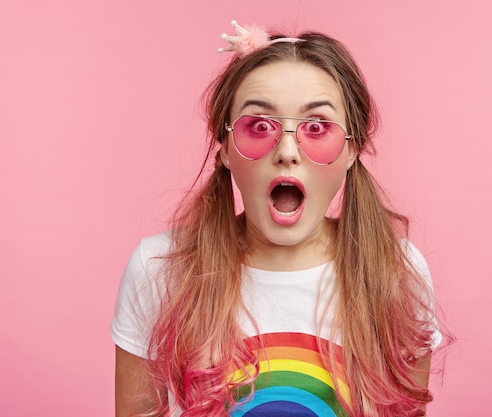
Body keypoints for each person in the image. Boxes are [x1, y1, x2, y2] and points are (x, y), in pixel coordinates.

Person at [112, 20, 447, 417]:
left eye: (317, 127)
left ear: (352, 150)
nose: (287, 150)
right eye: (260, 125)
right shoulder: (160, 271)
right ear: (224, 148)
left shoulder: (397, 272)